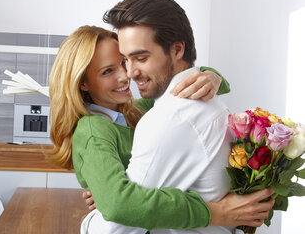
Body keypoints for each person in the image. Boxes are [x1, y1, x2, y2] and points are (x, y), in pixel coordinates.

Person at [77, 0, 275, 234]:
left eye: (140, 58)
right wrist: (106, 190)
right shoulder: (198, 104)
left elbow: (115, 228)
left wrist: (89, 221)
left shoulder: (170, 118)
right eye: (126, 60)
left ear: (178, 49)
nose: (129, 73)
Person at [45, 25, 249, 232]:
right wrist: (214, 213)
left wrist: (212, 78)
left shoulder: (134, 112)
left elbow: (177, 88)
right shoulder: (92, 130)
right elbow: (117, 204)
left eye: (123, 62)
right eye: (107, 71)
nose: (125, 76)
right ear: (83, 83)